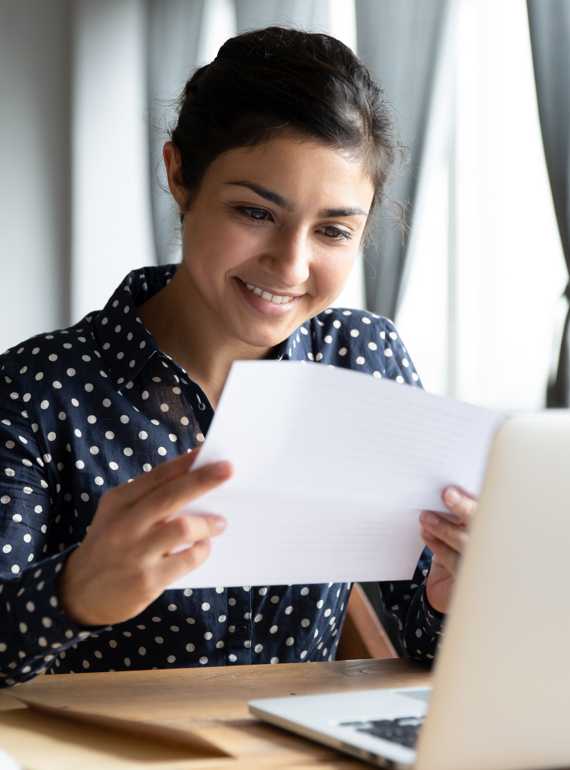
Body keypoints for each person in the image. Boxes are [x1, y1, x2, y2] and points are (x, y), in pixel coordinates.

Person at [0, 27, 475, 687]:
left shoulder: (363, 358)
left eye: (334, 230)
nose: (291, 264)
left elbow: (425, 636)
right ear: (179, 177)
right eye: (255, 212)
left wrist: (453, 600)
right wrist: (70, 595)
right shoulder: (37, 391)